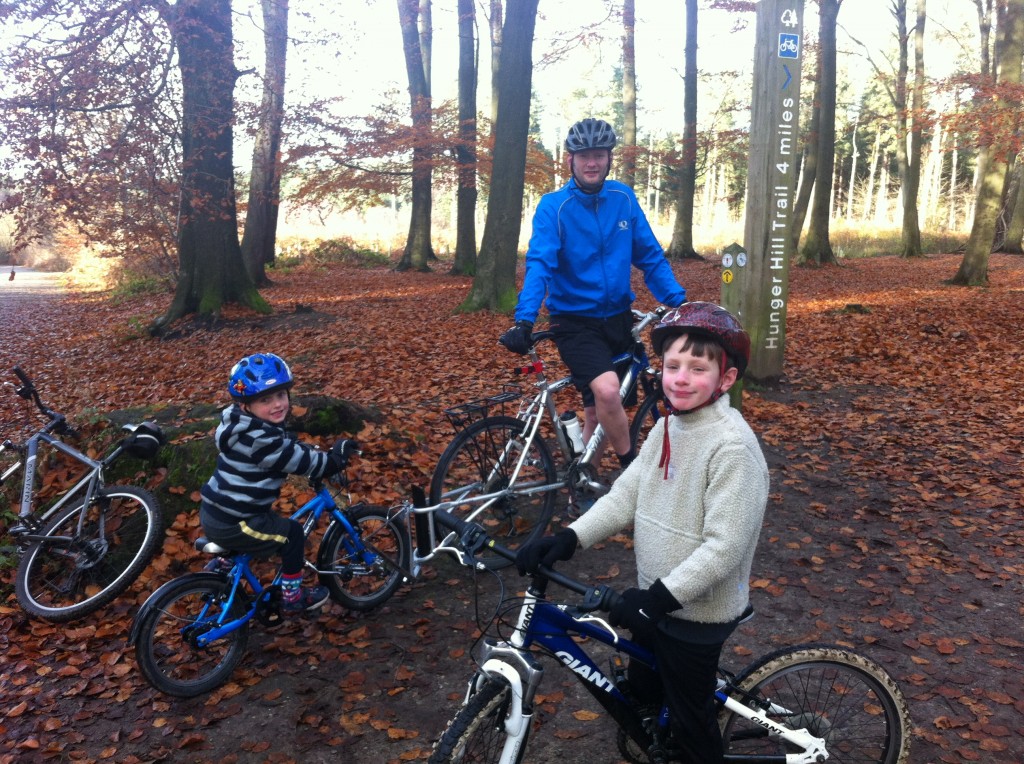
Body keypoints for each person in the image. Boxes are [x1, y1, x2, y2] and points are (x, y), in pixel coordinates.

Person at [514, 302, 769, 763]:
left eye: (698, 368)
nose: (681, 378)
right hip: (658, 600)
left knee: (693, 729)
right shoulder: (668, 427)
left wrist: (656, 601)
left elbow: (724, 547)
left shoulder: (732, 447)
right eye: (673, 366)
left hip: (698, 612)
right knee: (644, 696)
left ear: (726, 379)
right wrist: (567, 539)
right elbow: (623, 497)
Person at [500, 117, 686, 470]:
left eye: (599, 155)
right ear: (570, 159)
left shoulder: (623, 199)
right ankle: (632, 473)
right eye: (583, 155)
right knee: (607, 392)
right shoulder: (554, 207)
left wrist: (679, 302)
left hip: (617, 320)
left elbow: (649, 256)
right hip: (575, 323)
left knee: (597, 411)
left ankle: (582, 483)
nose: (591, 163)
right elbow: (539, 264)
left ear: (609, 158)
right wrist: (525, 318)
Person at [199, 352, 350, 616]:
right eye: (265, 400)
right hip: (237, 521)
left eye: (281, 395)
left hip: (217, 512)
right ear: (246, 405)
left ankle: (223, 566)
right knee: (291, 535)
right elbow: (300, 461)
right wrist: (334, 461)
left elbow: (284, 447)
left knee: (265, 520)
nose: (277, 405)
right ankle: (293, 596)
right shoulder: (262, 440)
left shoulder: (241, 426)